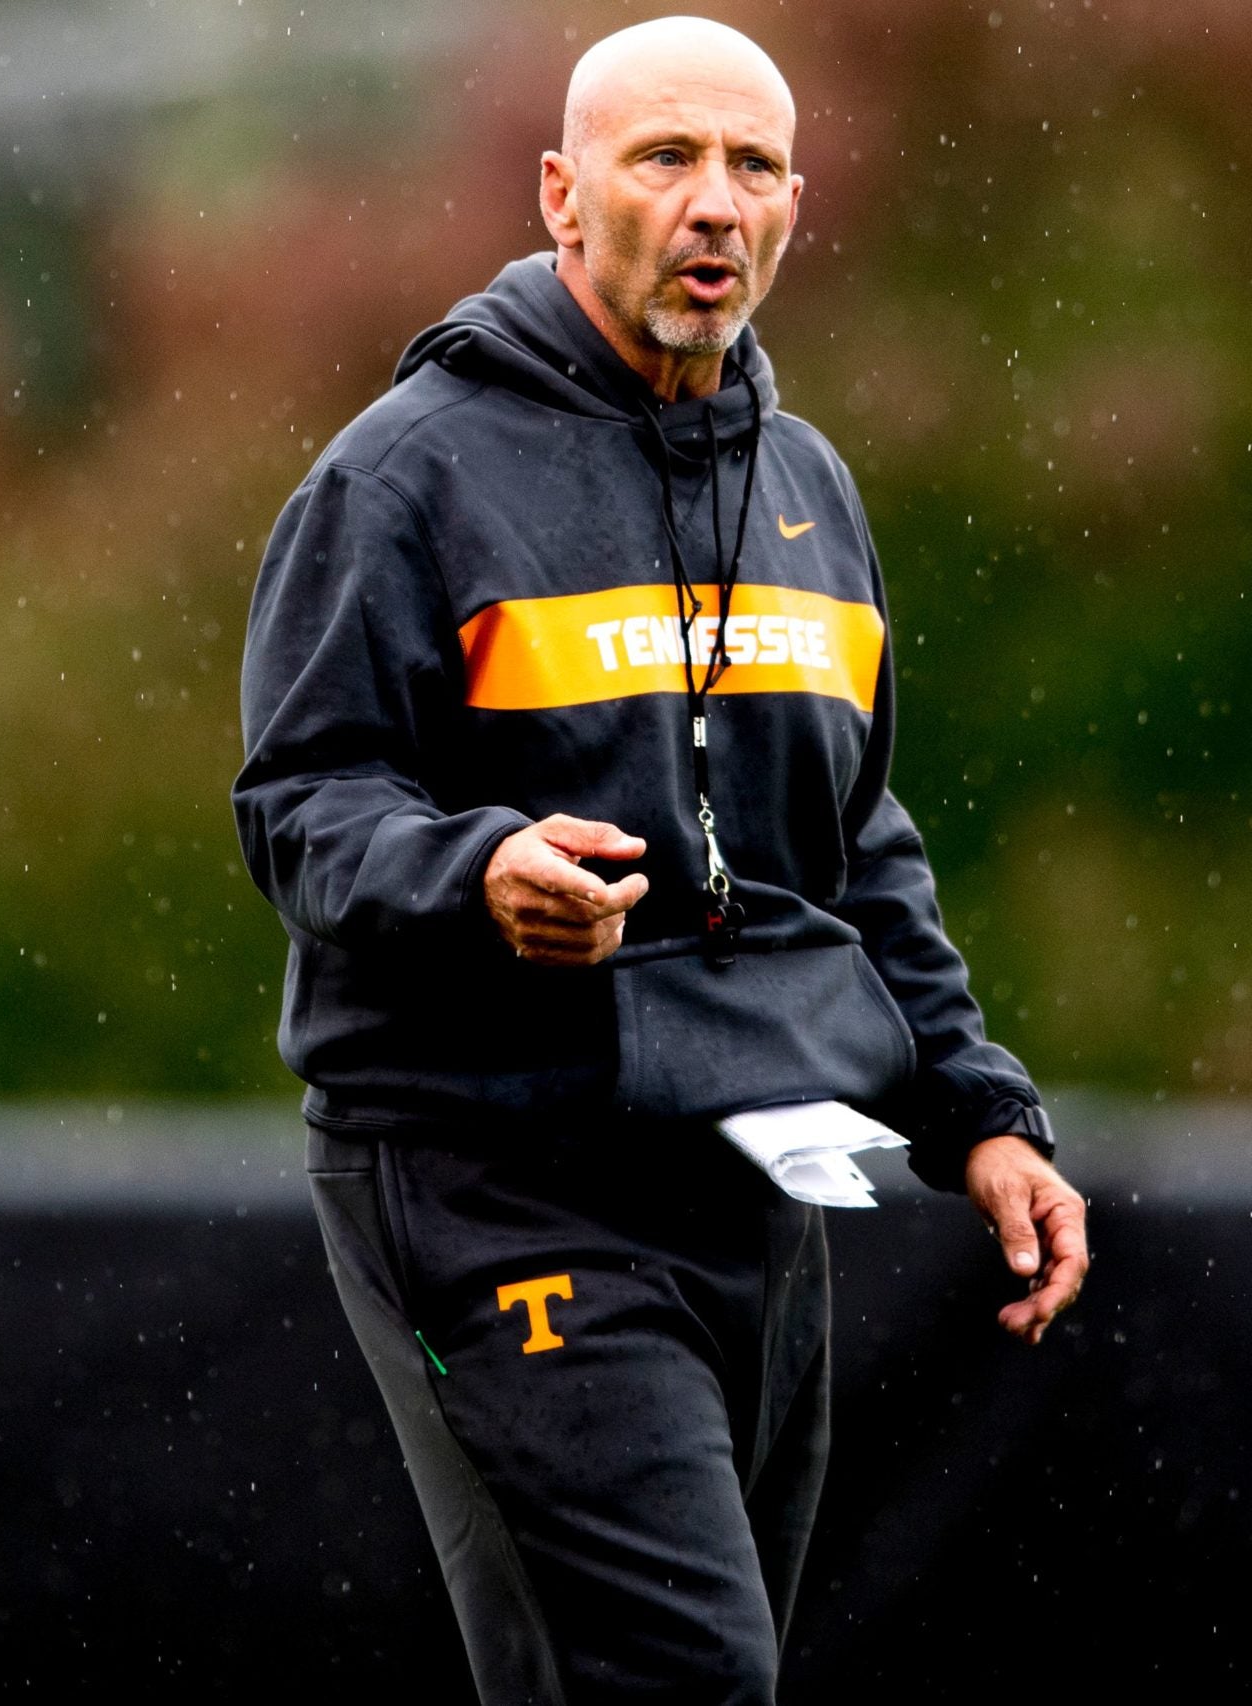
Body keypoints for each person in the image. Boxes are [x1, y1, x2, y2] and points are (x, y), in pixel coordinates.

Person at [231, 17, 1089, 1702]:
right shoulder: (404, 473)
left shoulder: (809, 484)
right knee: (685, 1678)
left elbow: (856, 849)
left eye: (754, 166)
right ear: (565, 195)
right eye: (667, 159)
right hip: (494, 1180)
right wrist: (478, 871)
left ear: (793, 209)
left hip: (755, 1177)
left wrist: (978, 1112)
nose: (716, 203)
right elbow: (300, 803)